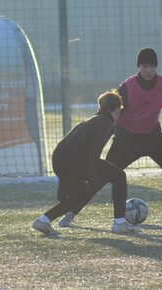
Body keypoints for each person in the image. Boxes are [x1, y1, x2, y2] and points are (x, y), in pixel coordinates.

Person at [59, 48, 162, 227]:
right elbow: (108, 111)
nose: (149, 70)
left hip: (153, 137)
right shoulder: (128, 87)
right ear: (139, 67)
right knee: (100, 177)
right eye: (145, 66)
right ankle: (71, 211)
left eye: (152, 66)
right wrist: (97, 133)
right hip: (126, 140)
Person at [32, 90, 141, 235]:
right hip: (74, 162)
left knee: (81, 196)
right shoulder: (106, 123)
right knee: (119, 176)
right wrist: (91, 173)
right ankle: (119, 223)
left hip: (60, 160)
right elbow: (95, 148)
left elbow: (66, 147)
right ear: (116, 109)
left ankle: (43, 221)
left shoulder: (91, 120)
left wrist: (63, 184)